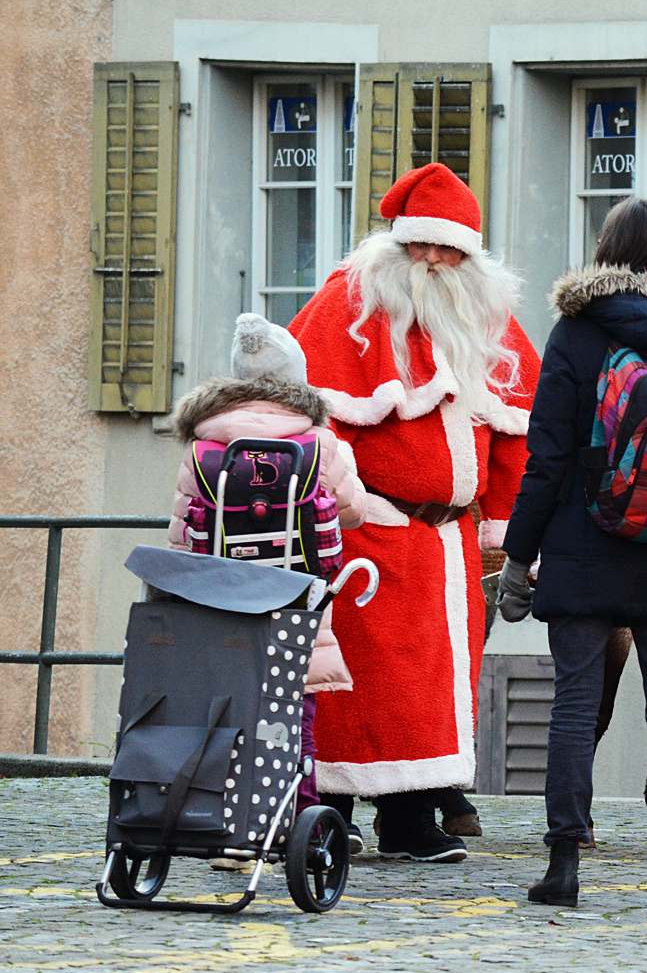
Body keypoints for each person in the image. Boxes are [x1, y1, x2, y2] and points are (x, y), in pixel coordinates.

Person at [289, 163, 540, 863]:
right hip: (368, 531)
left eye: (447, 249)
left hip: (450, 543)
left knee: (428, 693)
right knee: (349, 684)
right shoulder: (347, 308)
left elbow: (517, 432)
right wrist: (350, 504)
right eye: (420, 247)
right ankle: (327, 813)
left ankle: (408, 820)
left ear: (468, 254)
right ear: (399, 246)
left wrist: (504, 525)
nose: (431, 262)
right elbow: (311, 415)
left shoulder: (489, 320)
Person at [496, 198, 647, 912]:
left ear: (606, 254)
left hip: (582, 543)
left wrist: (517, 557)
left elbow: (547, 458)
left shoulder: (576, 331)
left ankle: (564, 864)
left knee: (572, 705)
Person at [168, 313, 368, 870]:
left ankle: (234, 828)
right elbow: (350, 512)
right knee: (292, 708)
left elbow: (183, 532)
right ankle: (295, 818)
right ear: (296, 381)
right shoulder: (319, 442)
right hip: (297, 595)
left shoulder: (204, 445)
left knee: (231, 705)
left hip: (222, 598)